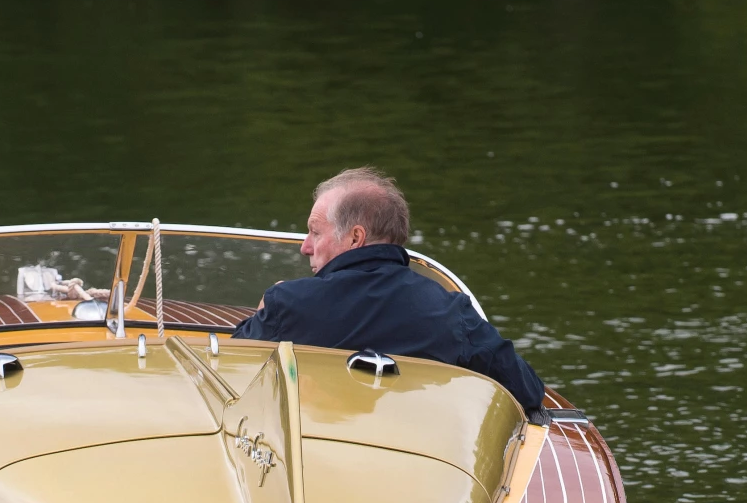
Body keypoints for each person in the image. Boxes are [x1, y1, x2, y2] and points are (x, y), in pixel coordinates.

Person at [231, 168, 547, 416]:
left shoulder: (290, 304)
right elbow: (528, 390)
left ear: (355, 238)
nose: (305, 247)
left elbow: (231, 374)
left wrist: (264, 310)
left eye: (315, 232)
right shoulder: (450, 312)